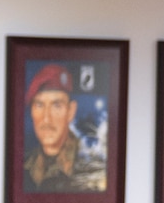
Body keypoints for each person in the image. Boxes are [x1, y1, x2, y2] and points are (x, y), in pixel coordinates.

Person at [22, 63, 105, 193]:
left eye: (56, 106)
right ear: (31, 111)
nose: (47, 119)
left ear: (71, 111)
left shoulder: (92, 165)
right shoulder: (24, 166)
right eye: (39, 105)